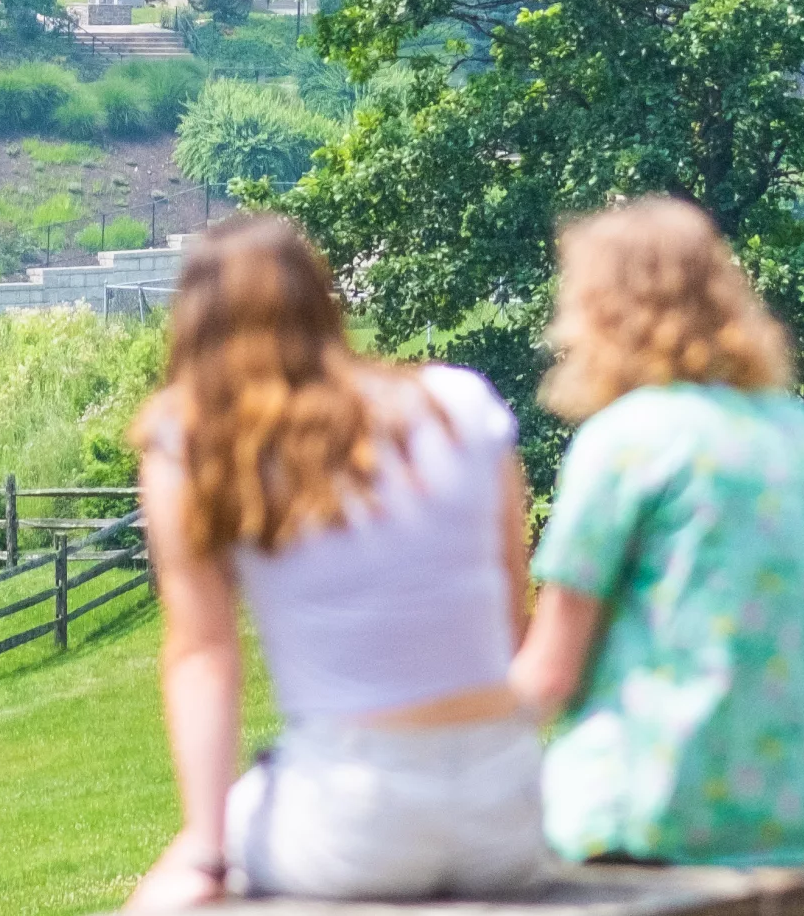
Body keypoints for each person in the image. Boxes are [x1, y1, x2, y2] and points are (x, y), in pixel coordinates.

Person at [124, 215, 545, 908]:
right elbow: (512, 620)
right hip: (507, 812)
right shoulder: (461, 403)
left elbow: (203, 654)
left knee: (165, 890)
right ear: (324, 301)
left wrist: (206, 852)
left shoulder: (193, 442)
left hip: (353, 821)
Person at [510, 199, 804, 868]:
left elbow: (551, 671)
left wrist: (444, 746)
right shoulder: (798, 434)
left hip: (654, 812)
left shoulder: (625, 440)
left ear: (604, 311)